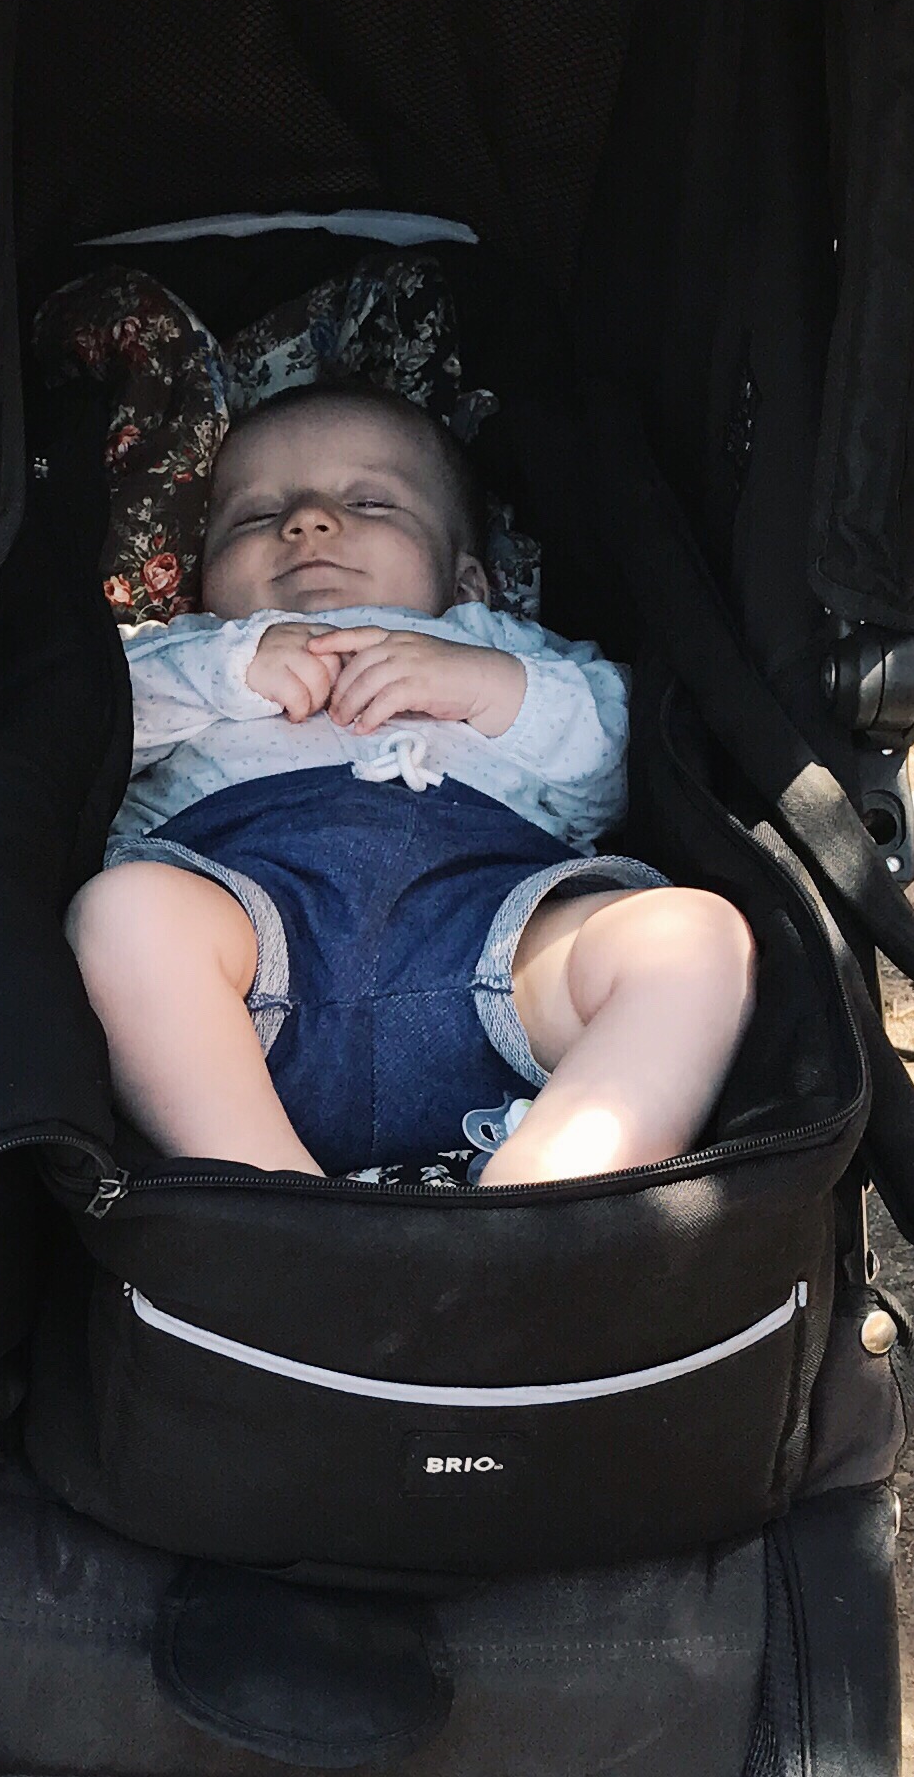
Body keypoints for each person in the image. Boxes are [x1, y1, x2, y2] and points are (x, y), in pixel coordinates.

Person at [68, 384, 752, 1184]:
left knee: (695, 938)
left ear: (466, 583)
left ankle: (543, 1192)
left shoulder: (498, 645)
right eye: (257, 515)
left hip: (492, 941)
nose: (309, 521)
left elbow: (626, 765)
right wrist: (230, 669)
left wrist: (488, 685)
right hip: (246, 952)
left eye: (368, 502)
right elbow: (85, 734)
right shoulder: (190, 650)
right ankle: (270, 1193)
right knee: (123, 916)